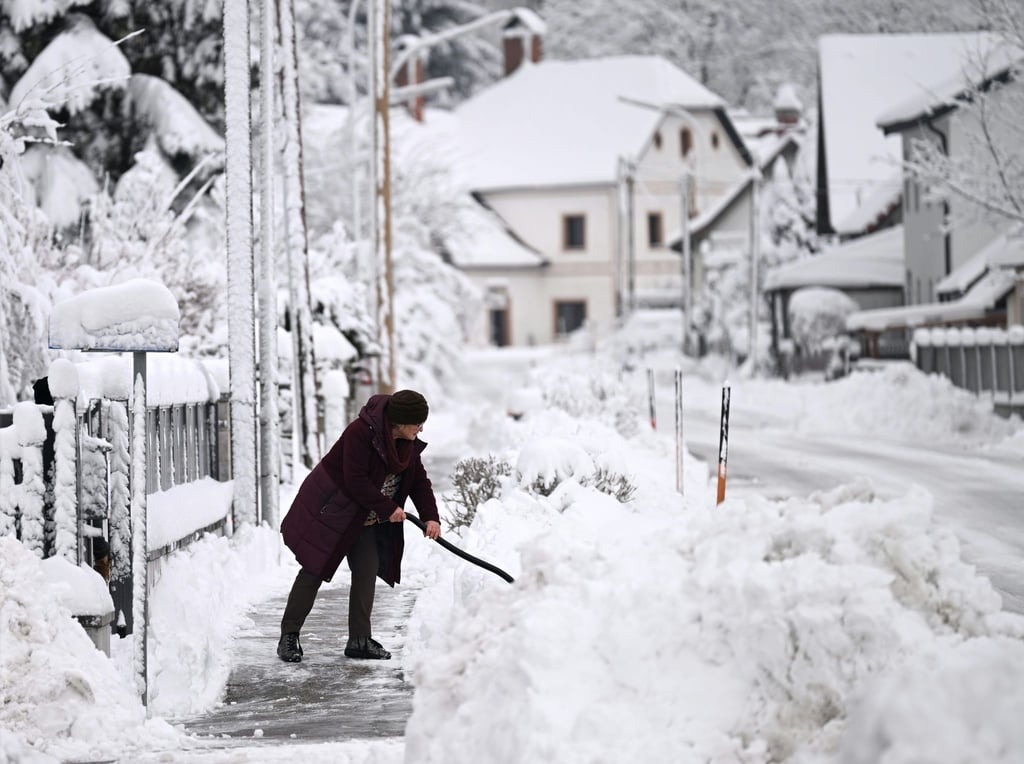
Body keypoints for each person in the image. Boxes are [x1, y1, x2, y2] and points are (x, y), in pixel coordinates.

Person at [277, 389, 441, 662]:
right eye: (417, 423)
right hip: (333, 512)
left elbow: (418, 481)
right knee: (314, 570)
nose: (421, 428)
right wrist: (389, 508)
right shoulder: (360, 433)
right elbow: (355, 480)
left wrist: (431, 517)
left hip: (365, 518)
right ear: (399, 421)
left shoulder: (406, 444)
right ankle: (289, 636)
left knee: (367, 569)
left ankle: (359, 640)